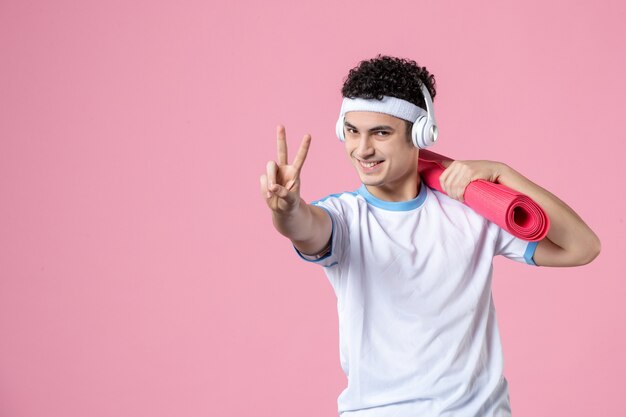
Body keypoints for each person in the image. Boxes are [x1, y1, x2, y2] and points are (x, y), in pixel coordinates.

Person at [259, 55, 600, 417]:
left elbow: (583, 246)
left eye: (381, 132)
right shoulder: (346, 219)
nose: (362, 149)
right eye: (353, 131)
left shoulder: (471, 209)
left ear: (422, 133)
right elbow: (305, 228)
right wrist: (287, 209)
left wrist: (501, 173)